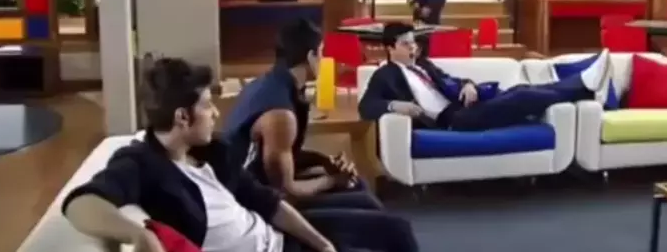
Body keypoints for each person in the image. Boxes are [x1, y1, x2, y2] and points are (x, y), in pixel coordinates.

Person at [61, 57, 417, 252]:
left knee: (395, 230)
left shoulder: (211, 151)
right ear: (182, 117)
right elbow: (80, 203)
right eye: (207, 106)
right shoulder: (141, 163)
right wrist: (138, 236)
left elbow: (265, 201)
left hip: (277, 236)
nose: (216, 113)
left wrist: (322, 245)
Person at [220, 18, 382, 211]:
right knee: (369, 206)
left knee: (358, 186)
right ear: (310, 57)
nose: (324, 59)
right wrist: (332, 180)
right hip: (254, 204)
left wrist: (325, 162)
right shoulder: (280, 115)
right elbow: (286, 193)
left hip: (263, 186)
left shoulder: (267, 83)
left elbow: (280, 158)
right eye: (321, 53)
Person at [359, 22, 609, 131]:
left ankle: (586, 87)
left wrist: (468, 85)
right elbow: (366, 106)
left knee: (519, 89)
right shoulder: (385, 75)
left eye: (413, 43)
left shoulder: (424, 65)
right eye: (405, 44)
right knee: (521, 96)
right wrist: (395, 106)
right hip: (453, 120)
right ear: (390, 48)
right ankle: (584, 83)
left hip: (466, 105)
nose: (413, 48)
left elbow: (451, 80)